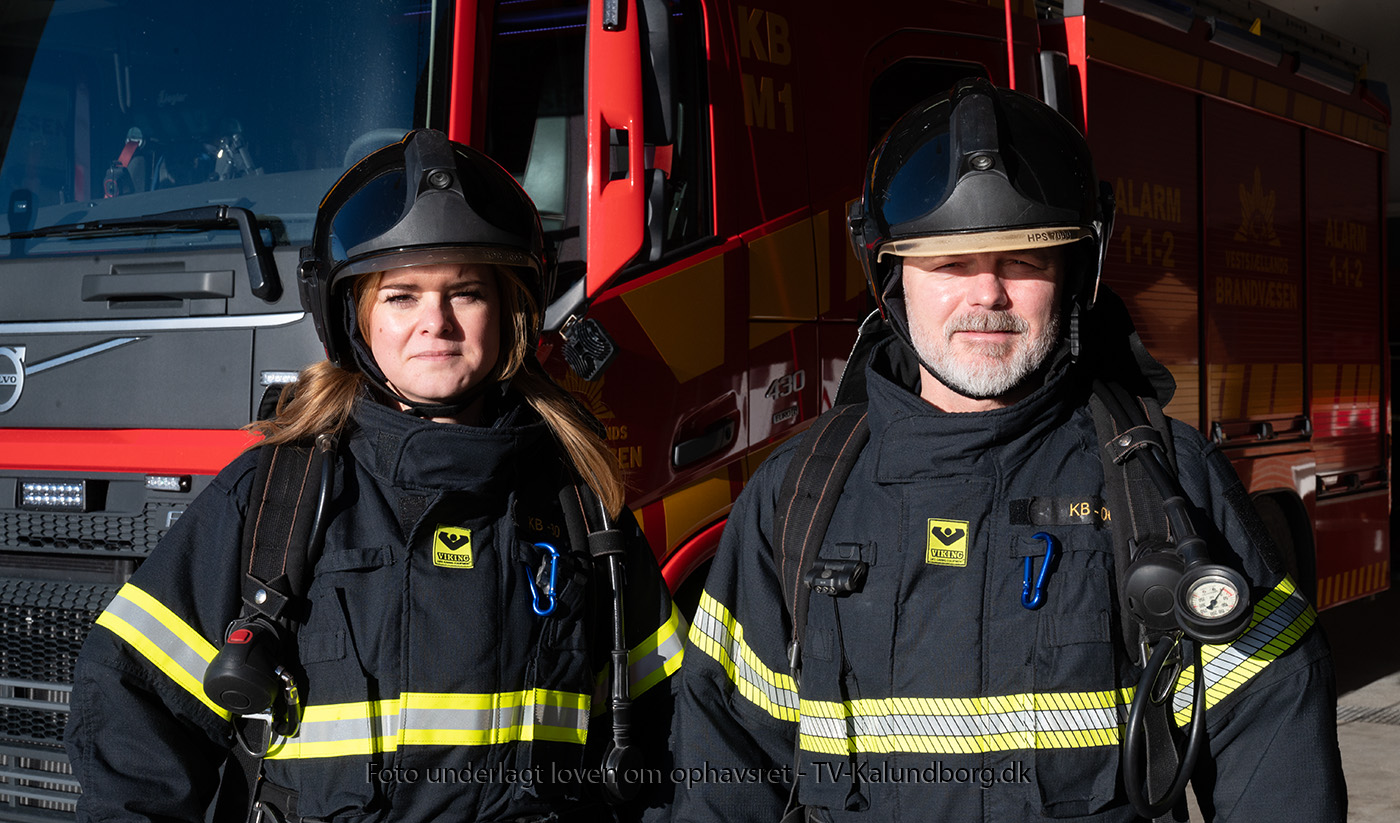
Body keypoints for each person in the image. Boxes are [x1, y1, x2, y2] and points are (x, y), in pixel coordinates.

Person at [671, 78, 1344, 822]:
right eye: (951, 262)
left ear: (1074, 272)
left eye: (1024, 259)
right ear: (892, 275)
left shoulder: (1168, 487)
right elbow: (721, 778)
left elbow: (1278, 764)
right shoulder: (795, 501)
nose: (987, 294)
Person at [65, 129, 682, 823]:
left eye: (467, 292)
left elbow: (670, 744)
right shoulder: (277, 499)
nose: (436, 323)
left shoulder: (577, 505)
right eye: (402, 295)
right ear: (355, 315)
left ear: (508, 311)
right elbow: (132, 712)